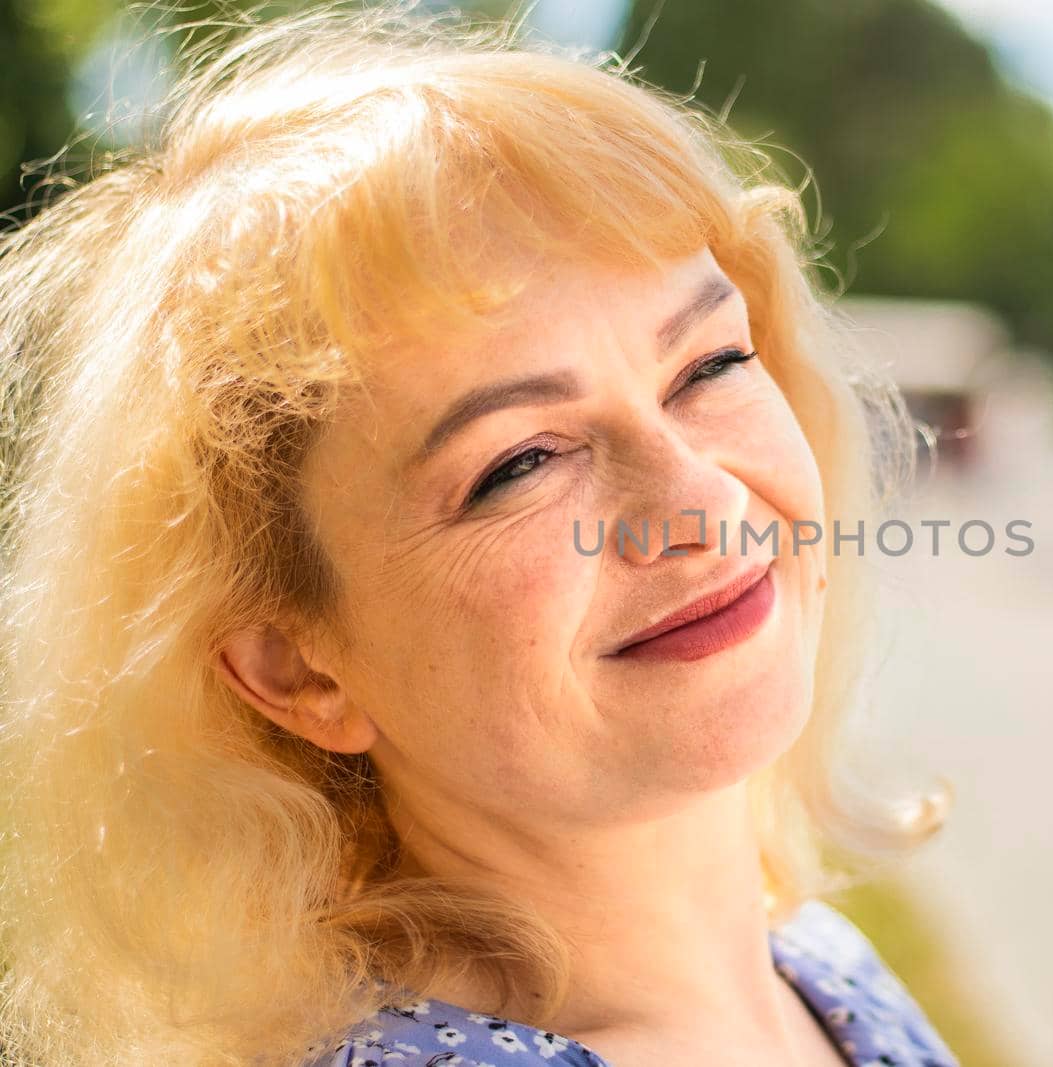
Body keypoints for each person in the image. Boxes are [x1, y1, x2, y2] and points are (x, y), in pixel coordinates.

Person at [0, 4, 958, 1066]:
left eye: (710, 365)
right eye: (520, 462)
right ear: (292, 665)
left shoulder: (824, 971)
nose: (699, 499)